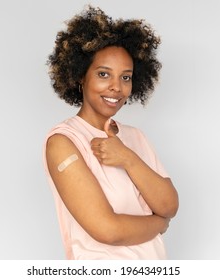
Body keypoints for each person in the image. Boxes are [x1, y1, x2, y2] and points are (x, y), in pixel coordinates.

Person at [43, 5, 179, 260]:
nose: (116, 87)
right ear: (80, 76)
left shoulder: (135, 137)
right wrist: (159, 225)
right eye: (104, 74)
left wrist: (127, 158)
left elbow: (169, 205)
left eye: (125, 77)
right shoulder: (63, 142)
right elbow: (107, 229)